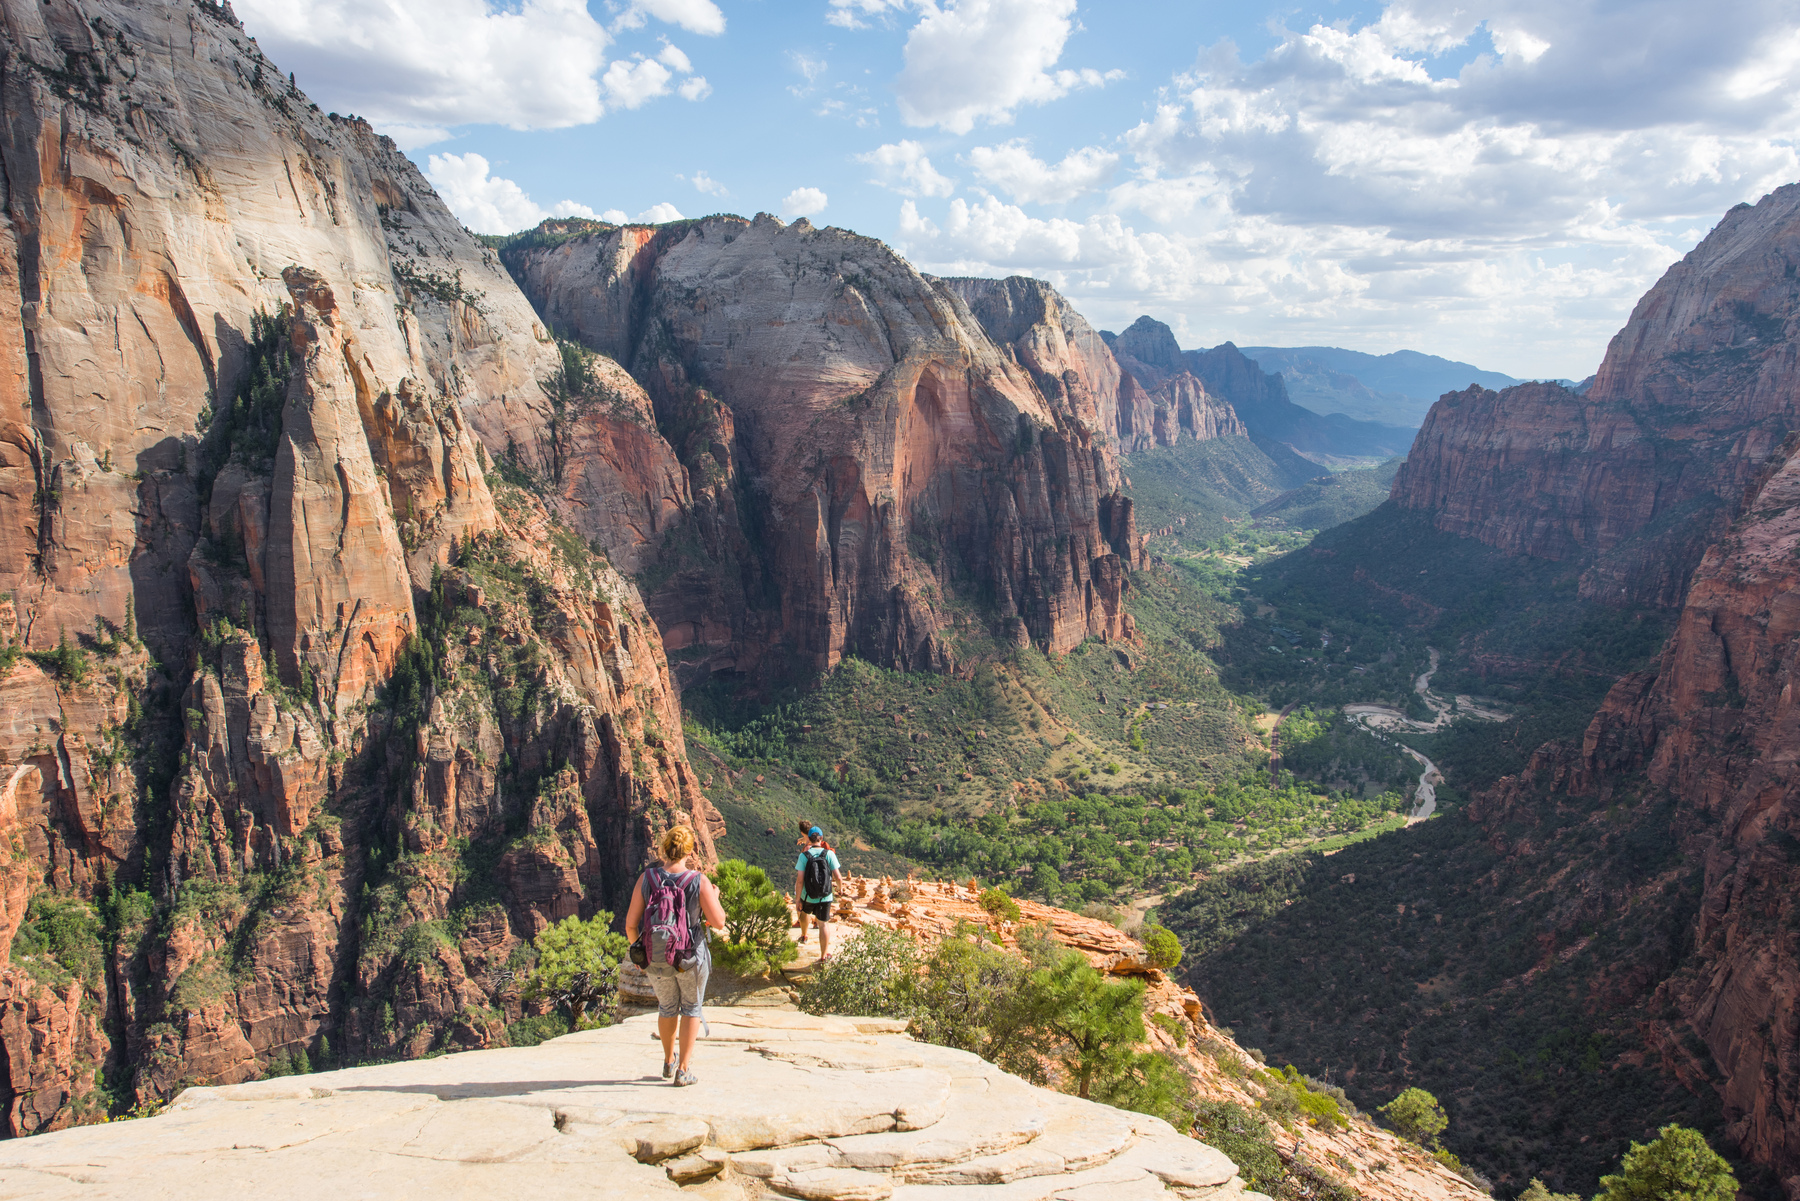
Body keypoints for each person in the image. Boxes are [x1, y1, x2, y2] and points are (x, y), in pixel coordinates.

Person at [625, 825, 726, 1087]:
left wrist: (641, 954)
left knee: (667, 1007)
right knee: (691, 1008)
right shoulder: (698, 880)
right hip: (690, 958)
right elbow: (718, 922)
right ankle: (683, 1070)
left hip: (655, 957)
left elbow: (630, 924)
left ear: (665, 848)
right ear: (690, 851)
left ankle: (669, 1061)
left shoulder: (647, 878)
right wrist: (714, 896)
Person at [793, 826, 845, 961]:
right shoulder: (829, 854)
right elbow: (838, 877)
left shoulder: (804, 856)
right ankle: (823, 956)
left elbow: (799, 881)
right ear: (821, 839)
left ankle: (804, 935)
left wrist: (798, 899)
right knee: (823, 924)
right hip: (825, 896)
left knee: (804, 914)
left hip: (807, 895)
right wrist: (840, 889)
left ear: (809, 839)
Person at [793, 821, 832, 941]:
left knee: (805, 909)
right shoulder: (819, 844)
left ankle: (803, 930)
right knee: (819, 904)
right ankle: (816, 923)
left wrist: (797, 898)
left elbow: (802, 874)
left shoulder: (807, 849)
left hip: (807, 881)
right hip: (823, 882)